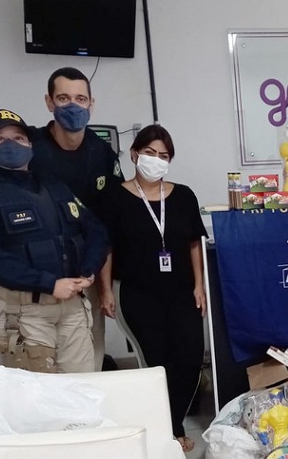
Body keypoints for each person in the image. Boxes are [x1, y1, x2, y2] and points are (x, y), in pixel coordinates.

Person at [0, 108, 108, 373]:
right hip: (22, 312)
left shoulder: (54, 186)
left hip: (72, 307)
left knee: (81, 388)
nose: (10, 144)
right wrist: (49, 284)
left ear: (30, 144)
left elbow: (96, 230)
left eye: (18, 138)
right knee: (34, 393)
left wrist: (88, 270)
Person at [98, 124, 207, 452]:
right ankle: (168, 429)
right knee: (157, 363)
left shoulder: (184, 195)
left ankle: (173, 420)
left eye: (163, 155)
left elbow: (194, 244)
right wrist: (105, 290)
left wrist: (199, 285)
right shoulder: (114, 197)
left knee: (190, 359)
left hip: (182, 291)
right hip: (137, 293)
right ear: (134, 155)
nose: (155, 160)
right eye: (149, 153)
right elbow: (106, 248)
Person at [30, 67, 124, 372]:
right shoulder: (29, 148)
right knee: (41, 367)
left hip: (87, 273)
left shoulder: (102, 153)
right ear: (49, 102)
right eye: (64, 98)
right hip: (40, 277)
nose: (73, 105)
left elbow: (108, 224)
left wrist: (105, 288)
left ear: (91, 104)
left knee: (89, 359)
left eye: (80, 99)